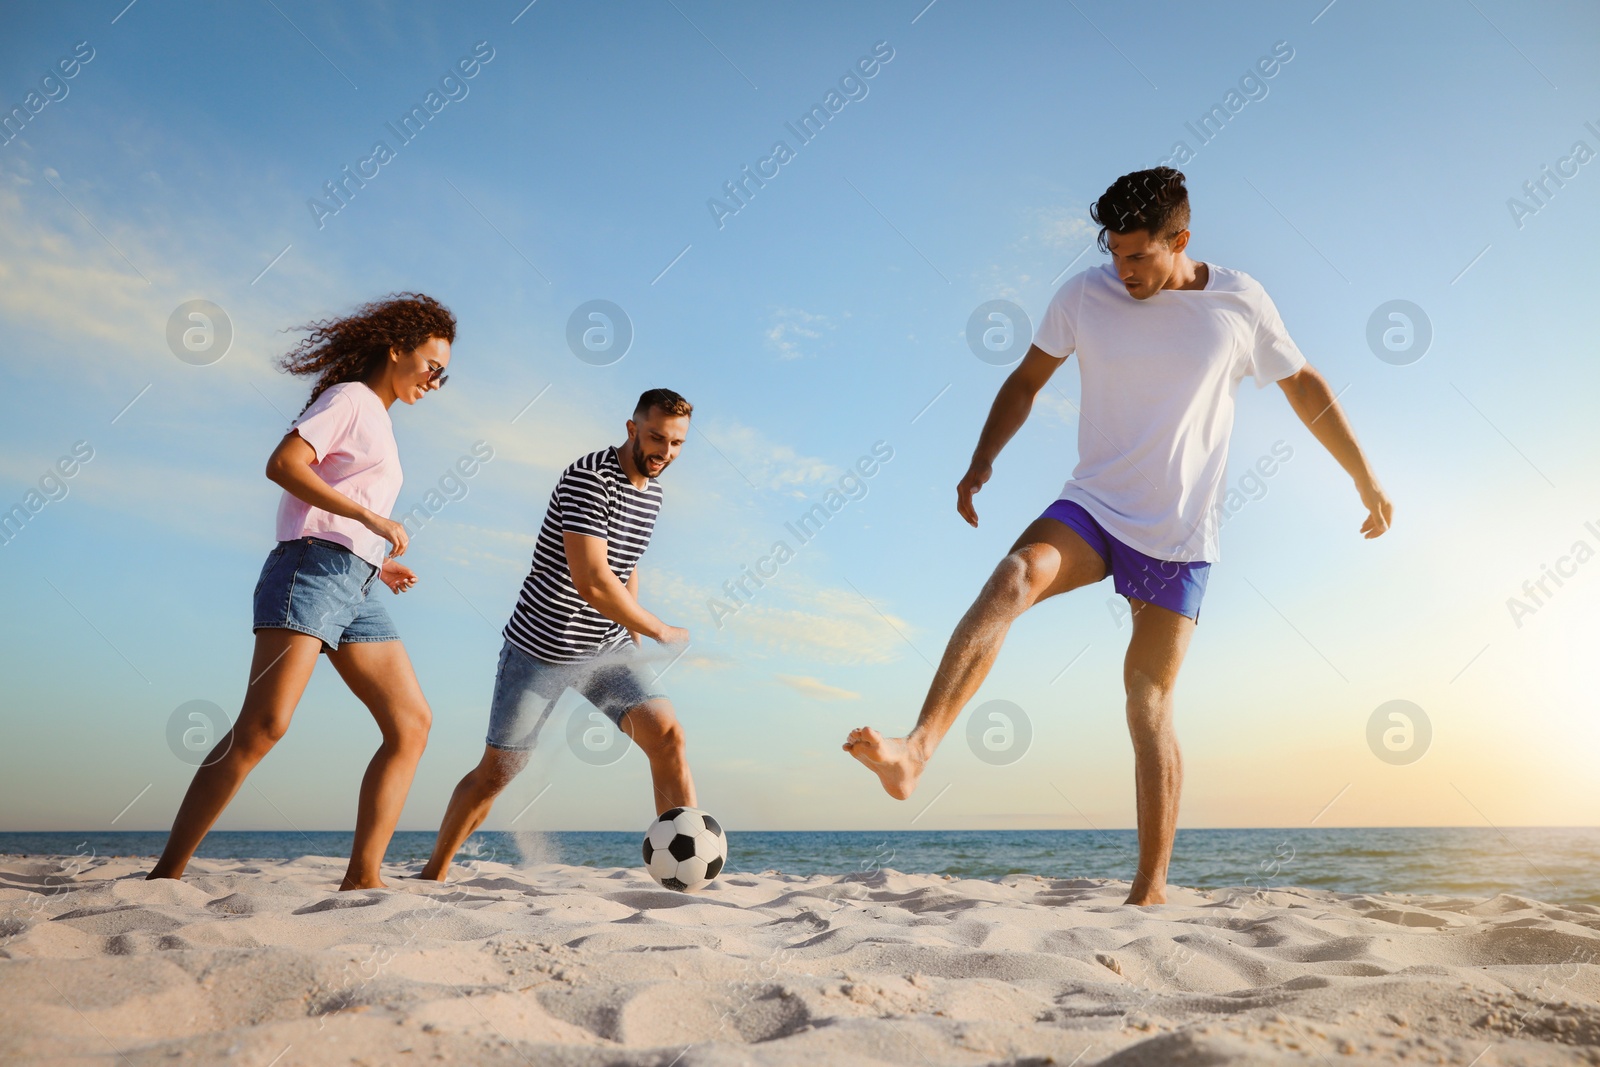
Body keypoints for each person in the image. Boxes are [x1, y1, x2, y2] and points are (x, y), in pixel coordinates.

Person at [844, 167, 1393, 905]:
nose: (1123, 271)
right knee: (1013, 576)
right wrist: (982, 458)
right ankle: (915, 750)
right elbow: (1026, 381)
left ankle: (1149, 888)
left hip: (1179, 533)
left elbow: (1304, 385)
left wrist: (1363, 477)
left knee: (1147, 704)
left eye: (1139, 256)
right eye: (1114, 253)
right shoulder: (1084, 295)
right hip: (1095, 506)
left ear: (1181, 240)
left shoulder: (1240, 301)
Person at [148, 293, 454, 890]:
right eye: (432, 366)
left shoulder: (380, 419)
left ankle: (362, 879)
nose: (437, 382)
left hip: (355, 582)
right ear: (396, 351)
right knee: (264, 726)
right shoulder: (350, 399)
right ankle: (167, 873)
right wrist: (370, 524)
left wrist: (375, 559)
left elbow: (339, 504)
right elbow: (285, 465)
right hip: (309, 573)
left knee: (411, 723)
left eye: (445, 375)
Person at [421, 389, 697, 881]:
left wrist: (631, 642)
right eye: (657, 438)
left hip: (605, 648)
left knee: (668, 735)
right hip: (539, 649)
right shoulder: (589, 479)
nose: (665, 453)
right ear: (632, 428)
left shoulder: (652, 492)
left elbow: (625, 566)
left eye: (676, 444)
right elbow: (592, 580)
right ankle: (433, 873)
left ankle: (685, 868)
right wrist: (657, 629)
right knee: (498, 772)